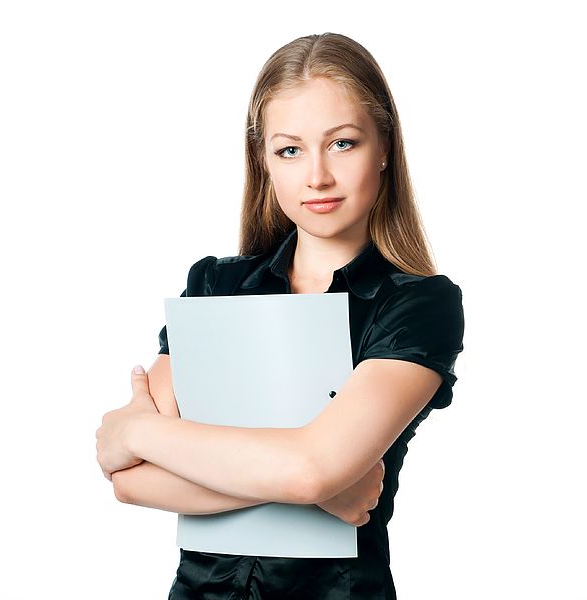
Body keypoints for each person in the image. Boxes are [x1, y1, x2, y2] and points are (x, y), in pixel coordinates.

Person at [96, 31, 465, 599]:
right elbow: (127, 476)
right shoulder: (214, 286)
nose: (316, 176)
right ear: (264, 162)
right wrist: (310, 484)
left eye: (342, 143)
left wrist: (143, 429)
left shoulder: (418, 304)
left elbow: (312, 469)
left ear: (385, 146)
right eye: (289, 150)